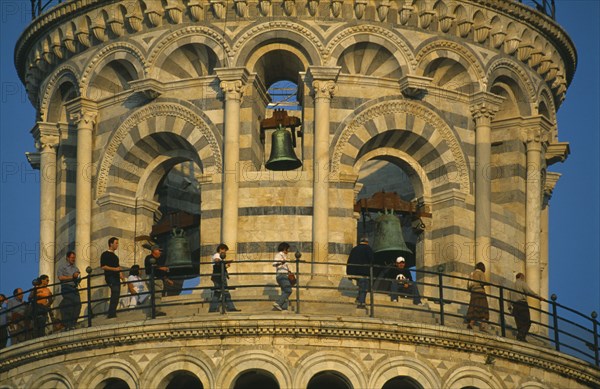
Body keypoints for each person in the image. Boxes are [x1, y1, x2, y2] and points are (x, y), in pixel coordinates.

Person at [510, 272, 545, 342]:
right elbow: (529, 291)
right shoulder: (522, 283)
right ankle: (521, 336)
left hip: (515, 305)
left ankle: (520, 337)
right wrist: (538, 297)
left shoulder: (512, 285)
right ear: (521, 277)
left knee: (519, 322)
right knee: (527, 322)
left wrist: (509, 307)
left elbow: (509, 296)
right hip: (522, 304)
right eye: (523, 277)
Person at [208, 243, 241, 313]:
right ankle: (231, 308)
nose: (225, 252)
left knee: (218, 293)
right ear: (220, 249)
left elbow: (220, 265)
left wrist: (226, 265)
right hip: (218, 277)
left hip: (219, 276)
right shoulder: (217, 255)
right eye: (224, 250)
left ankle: (213, 309)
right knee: (224, 292)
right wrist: (226, 262)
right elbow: (217, 261)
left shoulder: (219, 256)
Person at [57, 251, 82, 330]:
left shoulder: (76, 268)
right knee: (70, 304)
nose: (73, 259)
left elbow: (78, 278)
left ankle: (73, 323)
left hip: (74, 288)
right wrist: (72, 277)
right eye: (72, 257)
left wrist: (78, 278)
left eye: (74, 258)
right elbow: (60, 277)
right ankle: (68, 325)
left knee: (78, 304)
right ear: (67, 258)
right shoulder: (62, 267)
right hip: (66, 287)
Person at [346, 237, 373, 309]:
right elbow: (371, 260)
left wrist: (349, 273)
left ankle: (359, 298)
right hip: (364, 272)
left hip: (355, 272)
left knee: (361, 286)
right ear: (367, 242)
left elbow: (349, 261)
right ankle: (361, 303)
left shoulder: (354, 249)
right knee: (364, 287)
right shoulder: (368, 249)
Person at [144, 245, 171, 317]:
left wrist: (166, 279)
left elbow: (159, 271)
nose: (160, 252)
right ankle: (156, 311)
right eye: (159, 250)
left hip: (156, 278)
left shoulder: (158, 260)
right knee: (157, 294)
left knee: (154, 294)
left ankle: (152, 311)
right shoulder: (149, 258)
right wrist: (162, 268)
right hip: (153, 278)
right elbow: (152, 266)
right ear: (154, 251)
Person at [100, 237, 124, 319]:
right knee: (115, 291)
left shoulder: (115, 257)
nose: (117, 245)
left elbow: (118, 267)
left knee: (116, 294)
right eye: (116, 243)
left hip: (116, 277)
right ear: (111, 244)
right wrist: (115, 269)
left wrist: (121, 276)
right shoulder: (105, 254)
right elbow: (103, 266)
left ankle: (112, 312)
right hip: (110, 276)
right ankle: (111, 313)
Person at [466, 262, 489, 333]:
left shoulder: (472, 273)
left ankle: (471, 323)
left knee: (474, 308)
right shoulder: (480, 273)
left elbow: (468, 286)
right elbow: (483, 282)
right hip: (480, 293)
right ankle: (483, 326)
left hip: (473, 293)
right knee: (483, 309)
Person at [272, 242, 293, 311]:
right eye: (288, 249)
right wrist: (282, 262)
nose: (288, 250)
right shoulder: (279, 255)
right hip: (281, 275)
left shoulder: (284, 255)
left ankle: (283, 307)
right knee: (288, 290)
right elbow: (274, 263)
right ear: (284, 248)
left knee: (284, 291)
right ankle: (278, 303)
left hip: (285, 274)